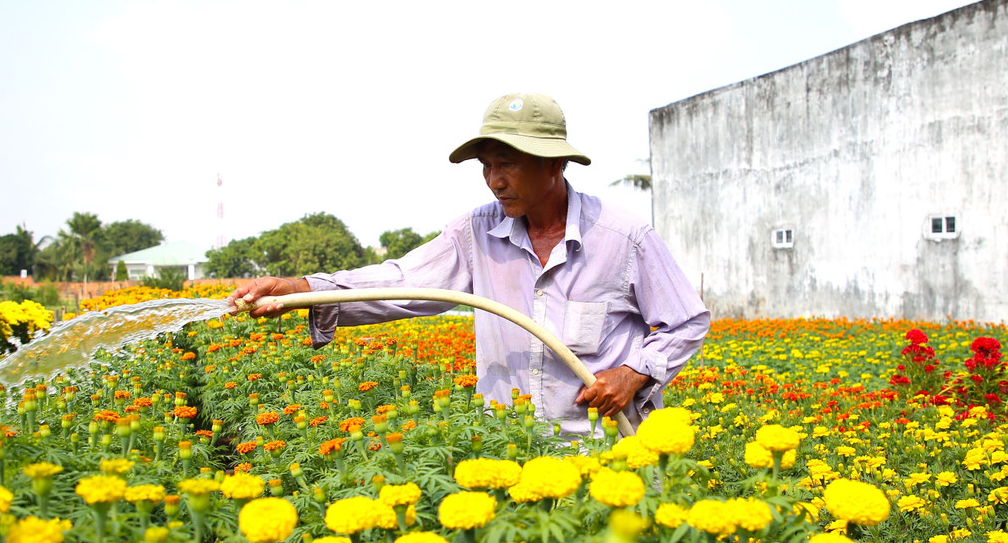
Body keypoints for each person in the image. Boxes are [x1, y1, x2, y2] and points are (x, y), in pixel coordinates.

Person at [228, 92, 709, 439]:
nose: (494, 181)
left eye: (508, 164)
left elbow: (687, 321)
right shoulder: (476, 232)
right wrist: (298, 289)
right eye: (486, 166)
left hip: (606, 450)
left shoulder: (623, 237)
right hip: (511, 446)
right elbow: (404, 281)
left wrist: (633, 373)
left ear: (554, 165)